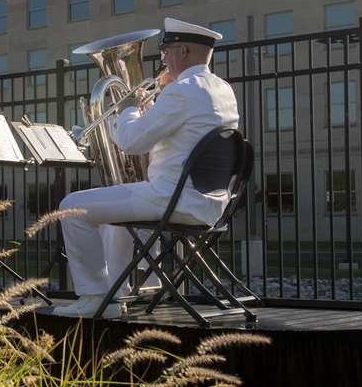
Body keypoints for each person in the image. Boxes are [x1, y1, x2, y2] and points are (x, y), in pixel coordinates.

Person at [53, 18, 240, 318]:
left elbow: (130, 142)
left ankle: (94, 296)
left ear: (183, 51)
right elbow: (183, 134)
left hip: (171, 199)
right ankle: (116, 293)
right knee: (116, 214)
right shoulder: (222, 89)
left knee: (70, 207)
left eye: (166, 51)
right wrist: (148, 110)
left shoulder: (181, 91)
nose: (163, 59)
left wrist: (128, 107)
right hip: (211, 202)